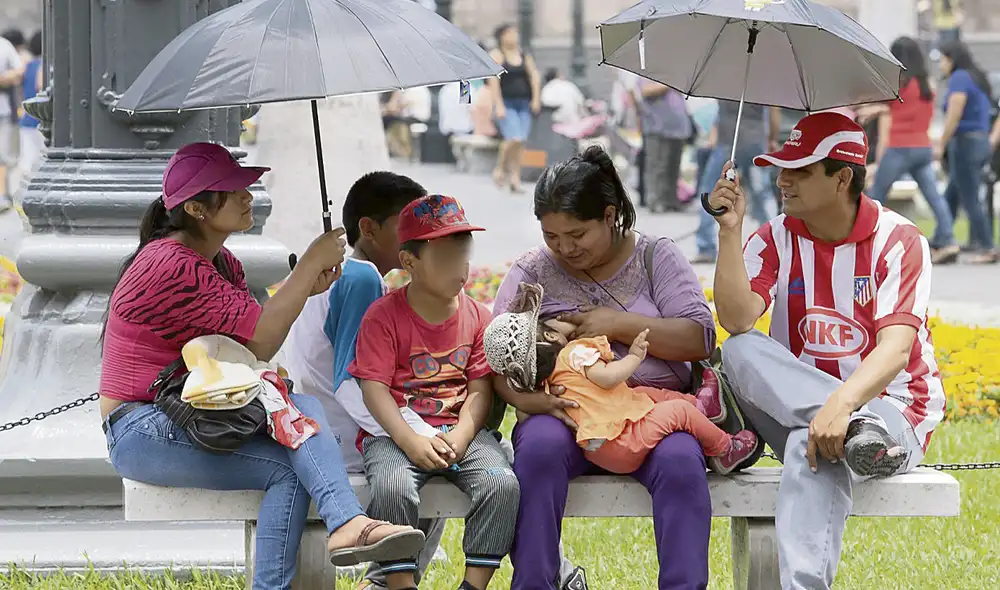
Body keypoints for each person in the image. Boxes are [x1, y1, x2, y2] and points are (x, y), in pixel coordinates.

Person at [99, 142, 425, 590]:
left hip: (188, 412)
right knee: (294, 440)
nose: (248, 196)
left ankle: (336, 534)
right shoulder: (171, 263)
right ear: (196, 208)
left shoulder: (220, 261)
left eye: (246, 186)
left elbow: (250, 341)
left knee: (293, 446)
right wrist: (310, 262)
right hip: (142, 427)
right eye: (233, 190)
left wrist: (307, 285)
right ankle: (348, 523)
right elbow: (263, 337)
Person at [706, 112, 945, 590]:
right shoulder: (774, 236)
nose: (782, 180)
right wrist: (729, 231)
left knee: (807, 445)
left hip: (895, 411)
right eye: (782, 166)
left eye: (800, 170)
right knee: (738, 351)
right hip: (826, 415)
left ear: (842, 178)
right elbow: (736, 320)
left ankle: (854, 429)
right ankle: (857, 432)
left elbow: (896, 351)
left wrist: (842, 405)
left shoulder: (899, 241)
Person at [494, 146, 721, 590]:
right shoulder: (531, 272)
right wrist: (529, 400)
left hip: (651, 413)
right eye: (552, 236)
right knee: (538, 450)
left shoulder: (657, 258)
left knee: (680, 462)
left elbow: (699, 338)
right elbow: (498, 361)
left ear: (610, 215)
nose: (564, 248)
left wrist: (617, 324)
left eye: (576, 234)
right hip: (567, 417)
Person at [282, 172, 448, 590]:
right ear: (369, 229)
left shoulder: (329, 273)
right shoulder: (359, 277)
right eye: (407, 223)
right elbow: (351, 383)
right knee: (442, 462)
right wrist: (411, 433)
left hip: (321, 430)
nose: (421, 235)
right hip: (345, 439)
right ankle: (383, 582)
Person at [349, 194, 520, 590]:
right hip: (397, 432)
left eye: (464, 258)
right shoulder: (383, 316)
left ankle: (473, 584)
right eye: (446, 260)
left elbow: (480, 391)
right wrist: (409, 442)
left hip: (461, 430)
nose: (460, 271)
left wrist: (461, 436)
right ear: (410, 262)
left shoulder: (479, 317)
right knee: (392, 487)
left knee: (501, 484)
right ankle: (399, 582)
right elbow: (374, 391)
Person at [485, 283, 757, 475]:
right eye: (554, 319)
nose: (563, 317)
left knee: (646, 396)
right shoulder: (575, 353)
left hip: (602, 449)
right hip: (623, 441)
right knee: (678, 412)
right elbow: (609, 378)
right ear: (552, 336)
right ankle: (725, 448)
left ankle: (702, 405)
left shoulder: (545, 385)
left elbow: (522, 414)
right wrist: (634, 357)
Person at [866, 37, 959, 264]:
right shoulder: (927, 85)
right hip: (922, 148)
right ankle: (949, 239)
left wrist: (874, 110)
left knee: (876, 193)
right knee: (934, 197)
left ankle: (864, 237)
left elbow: (889, 109)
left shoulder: (898, 82)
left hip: (899, 147)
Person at [692, 100, 778, 263]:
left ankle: (706, 246)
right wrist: (772, 139)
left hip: (727, 140)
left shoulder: (726, 78)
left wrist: (713, 135)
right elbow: (773, 111)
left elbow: (719, 112)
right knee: (762, 194)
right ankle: (773, 244)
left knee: (710, 191)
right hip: (755, 141)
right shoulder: (765, 82)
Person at [936, 40, 996, 263]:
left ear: (952, 58)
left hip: (964, 143)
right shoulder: (977, 77)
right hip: (980, 142)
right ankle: (942, 241)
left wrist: (941, 142)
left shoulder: (959, 77)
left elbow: (955, 112)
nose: (941, 64)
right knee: (952, 194)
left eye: (942, 59)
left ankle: (988, 247)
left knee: (970, 198)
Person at [488, 23, 541, 194]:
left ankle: (515, 178)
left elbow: (534, 77)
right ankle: (500, 168)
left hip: (523, 102)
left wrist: (536, 98)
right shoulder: (497, 55)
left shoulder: (523, 54)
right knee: (513, 138)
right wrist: (499, 105)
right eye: (509, 33)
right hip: (507, 102)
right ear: (502, 36)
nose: (513, 37)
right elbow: (494, 82)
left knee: (521, 142)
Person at [636, 79, 691, 213]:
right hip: (657, 127)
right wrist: (668, 84)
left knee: (673, 168)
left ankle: (671, 200)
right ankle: (655, 201)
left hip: (677, 128)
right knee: (656, 166)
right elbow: (645, 91)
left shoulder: (676, 74)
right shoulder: (648, 72)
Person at [0, 32, 24, 211]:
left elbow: (19, 69)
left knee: (2, 155)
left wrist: (5, 78)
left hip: (2, 110)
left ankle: (1, 195)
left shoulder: (4, 45)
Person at [18, 32, 43, 181]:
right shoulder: (44, 66)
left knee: (26, 162)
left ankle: (21, 197)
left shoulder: (27, 66)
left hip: (26, 117)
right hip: (40, 118)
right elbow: (40, 86)